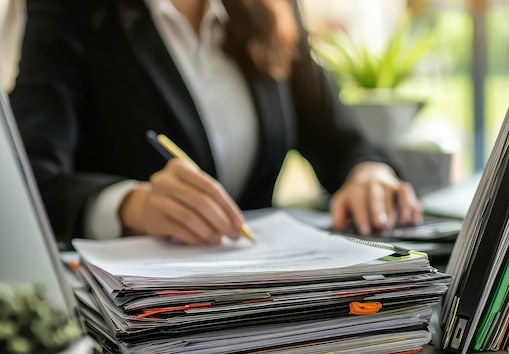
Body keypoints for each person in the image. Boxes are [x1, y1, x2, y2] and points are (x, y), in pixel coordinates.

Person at [9, 0, 422, 246]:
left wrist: (369, 172)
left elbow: (341, 140)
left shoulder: (269, 10)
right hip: (148, 320)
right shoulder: (72, 12)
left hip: (268, 303)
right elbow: (26, 178)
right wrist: (129, 205)